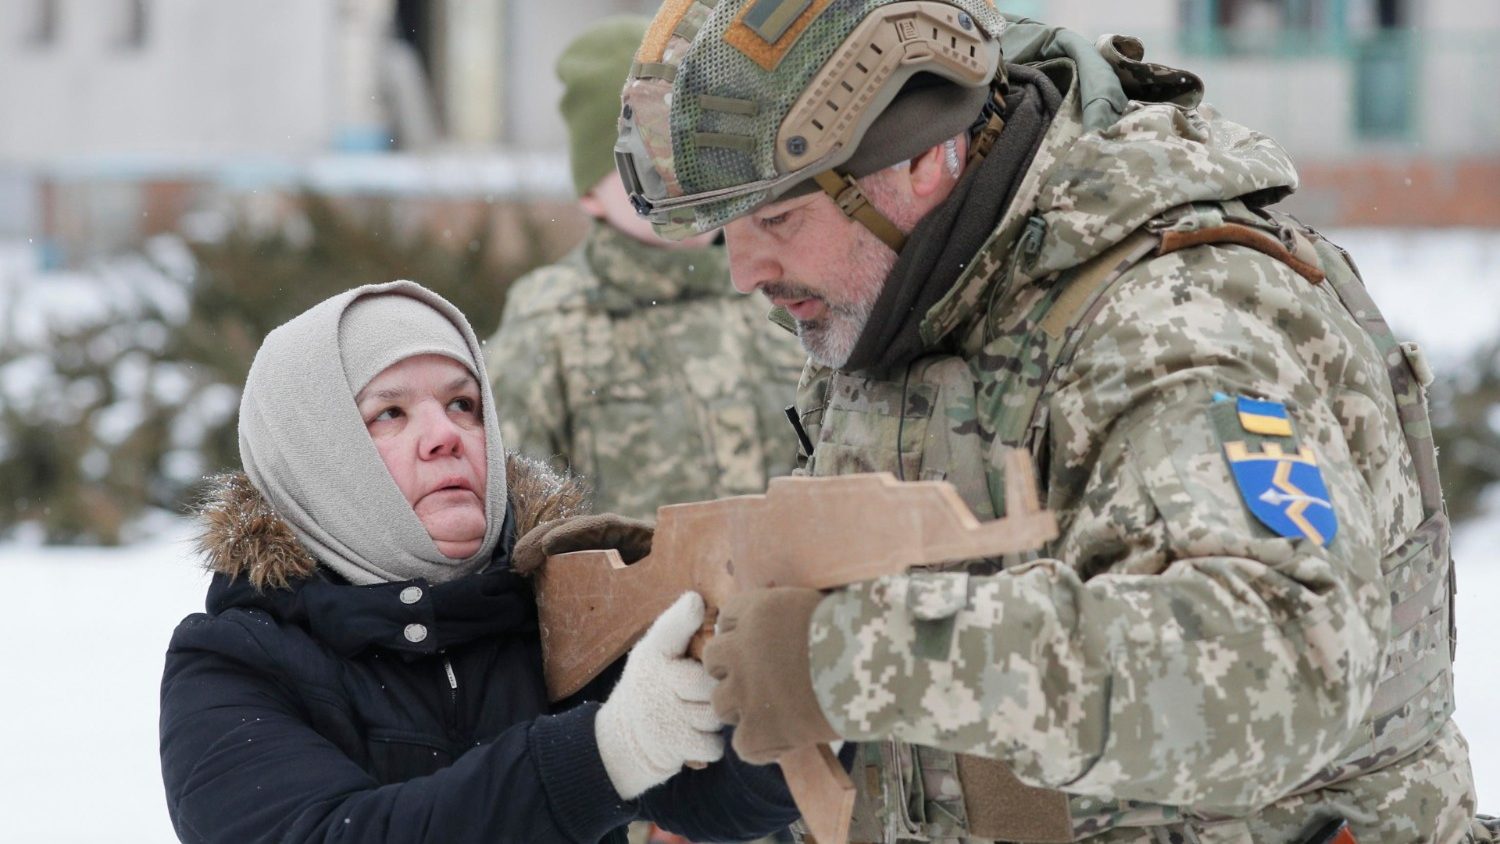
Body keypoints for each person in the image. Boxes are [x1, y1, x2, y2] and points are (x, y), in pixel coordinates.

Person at [594, 2, 1486, 842]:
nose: (745, 268)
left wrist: (841, 659)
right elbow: (942, 734)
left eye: (779, 215)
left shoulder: (1173, 314)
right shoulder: (914, 295)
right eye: (728, 228)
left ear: (919, 157)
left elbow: (1287, 665)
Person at [158, 280, 800, 843]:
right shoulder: (230, 666)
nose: (445, 435)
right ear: (315, 459)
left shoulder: (558, 608)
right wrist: (604, 752)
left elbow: (715, 799)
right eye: (390, 413)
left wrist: (796, 692)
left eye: (462, 404)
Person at [485, 16, 807, 521]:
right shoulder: (551, 322)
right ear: (590, 192)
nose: (681, 178)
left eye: (694, 150)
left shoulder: (780, 295)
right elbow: (518, 522)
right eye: (647, 162)